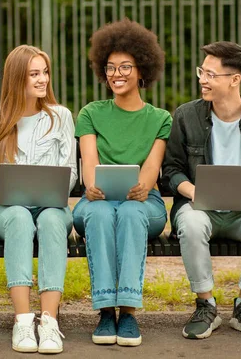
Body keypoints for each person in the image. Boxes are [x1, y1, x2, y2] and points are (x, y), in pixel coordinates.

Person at [162, 41, 241, 339]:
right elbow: (172, 171)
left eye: (210, 74)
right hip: (200, 208)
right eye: (201, 71)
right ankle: (205, 305)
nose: (202, 79)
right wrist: (195, 193)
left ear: (235, 79)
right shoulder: (186, 116)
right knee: (190, 224)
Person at [72, 18, 172, 347]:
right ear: (103, 72)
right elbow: (90, 163)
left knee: (129, 213)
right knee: (100, 214)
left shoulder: (160, 119)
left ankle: (127, 311)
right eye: (111, 67)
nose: (118, 74)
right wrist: (91, 186)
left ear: (142, 71)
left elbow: (152, 168)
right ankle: (104, 311)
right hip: (97, 200)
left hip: (144, 204)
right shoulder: (90, 113)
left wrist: (142, 187)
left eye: (126, 67)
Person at [0, 45, 77, 354]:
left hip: (52, 206)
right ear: (16, 79)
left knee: (51, 219)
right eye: (34, 74)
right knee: (21, 217)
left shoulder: (60, 117)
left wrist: (55, 190)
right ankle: (23, 320)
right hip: (7, 210)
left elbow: (70, 172)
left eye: (45, 72)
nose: (42, 80)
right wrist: (12, 196)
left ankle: (48, 321)